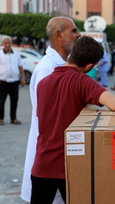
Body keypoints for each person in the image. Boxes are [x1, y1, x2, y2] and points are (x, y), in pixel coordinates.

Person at [30, 36, 115, 204]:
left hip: (42, 164)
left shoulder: (44, 82)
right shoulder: (82, 81)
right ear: (89, 66)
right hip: (69, 166)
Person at [21, 16, 81, 204]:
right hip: (51, 151)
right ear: (59, 35)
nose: (78, 34)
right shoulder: (48, 69)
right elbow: (50, 116)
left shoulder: (62, 65)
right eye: (73, 31)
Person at [0, 37, 25, 125]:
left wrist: (22, 78)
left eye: (9, 43)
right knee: (1, 101)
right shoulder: (0, 54)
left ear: (11, 44)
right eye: (5, 43)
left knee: (14, 100)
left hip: (14, 81)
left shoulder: (16, 55)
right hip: (3, 81)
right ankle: (1, 118)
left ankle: (13, 118)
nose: (7, 45)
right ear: (3, 44)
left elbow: (20, 66)